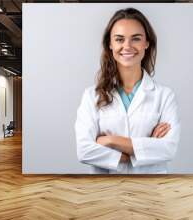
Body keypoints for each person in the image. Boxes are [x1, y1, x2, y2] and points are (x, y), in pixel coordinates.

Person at [75, 7, 180, 174]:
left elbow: (168, 149)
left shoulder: (164, 96)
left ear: (147, 43)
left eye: (136, 39)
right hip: (105, 191)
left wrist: (110, 141)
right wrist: (146, 147)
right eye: (119, 39)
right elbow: (84, 150)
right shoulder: (91, 96)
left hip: (151, 193)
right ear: (110, 44)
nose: (127, 46)